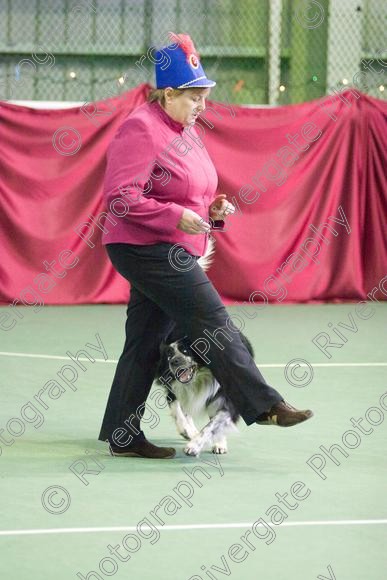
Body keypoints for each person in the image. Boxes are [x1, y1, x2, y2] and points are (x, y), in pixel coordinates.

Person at [98, 33, 313, 459]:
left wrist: (211, 211)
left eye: (204, 97)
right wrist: (175, 216)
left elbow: (187, 190)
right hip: (145, 246)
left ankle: (123, 436)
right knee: (213, 320)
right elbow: (120, 196)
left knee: (144, 342)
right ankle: (265, 405)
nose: (201, 105)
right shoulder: (140, 128)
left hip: (172, 243)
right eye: (194, 97)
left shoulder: (187, 130)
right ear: (170, 93)